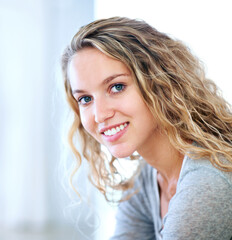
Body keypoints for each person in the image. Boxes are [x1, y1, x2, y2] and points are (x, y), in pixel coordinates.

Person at [61, 17, 232, 239]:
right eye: (85, 99)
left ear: (160, 84)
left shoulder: (208, 180)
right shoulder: (149, 178)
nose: (100, 114)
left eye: (117, 87)